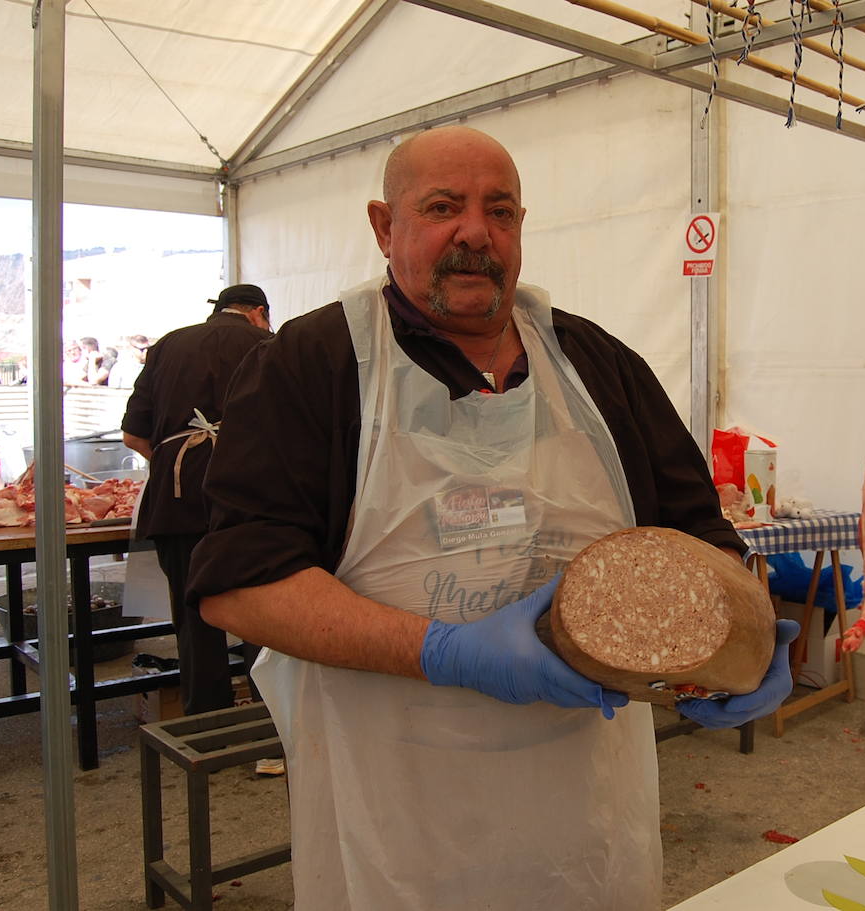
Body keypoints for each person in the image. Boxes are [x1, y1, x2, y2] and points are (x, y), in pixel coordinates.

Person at [186, 126, 799, 911]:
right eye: (443, 207)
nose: (476, 232)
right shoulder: (314, 364)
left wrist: (744, 632)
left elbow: (699, 535)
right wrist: (444, 651)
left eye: (500, 211)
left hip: (585, 821)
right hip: (396, 828)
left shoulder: (599, 366)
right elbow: (241, 586)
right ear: (384, 225)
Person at [120, 285, 272, 715]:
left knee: (193, 616)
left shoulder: (167, 345)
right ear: (259, 312)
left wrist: (179, 462)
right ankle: (268, 722)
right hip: (250, 496)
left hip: (177, 497)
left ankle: (206, 724)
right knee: (263, 612)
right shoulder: (269, 344)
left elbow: (133, 435)